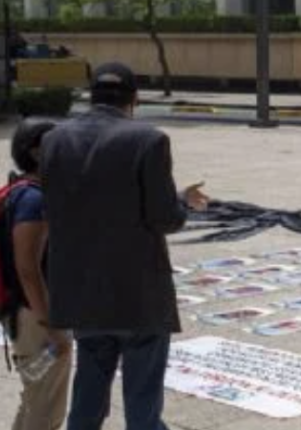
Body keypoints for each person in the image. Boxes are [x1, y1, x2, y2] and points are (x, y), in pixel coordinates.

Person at [41, 62, 208, 430]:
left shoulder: (54, 140)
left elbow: (59, 208)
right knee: (143, 405)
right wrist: (182, 204)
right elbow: (164, 218)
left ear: (91, 96)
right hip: (138, 294)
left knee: (87, 395)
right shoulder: (149, 140)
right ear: (134, 99)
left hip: (83, 291)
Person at [8, 118, 72, 430]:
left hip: (28, 311)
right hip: (36, 315)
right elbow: (28, 269)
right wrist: (52, 326)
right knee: (46, 411)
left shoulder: (23, 190)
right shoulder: (34, 200)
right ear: (36, 152)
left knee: (35, 401)